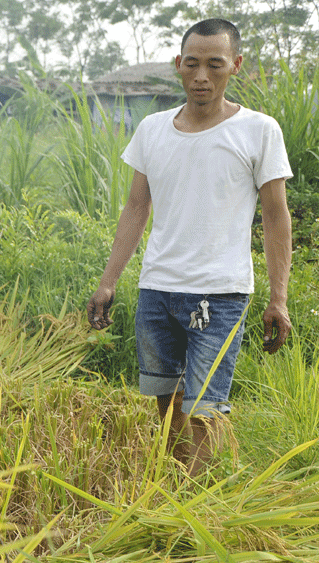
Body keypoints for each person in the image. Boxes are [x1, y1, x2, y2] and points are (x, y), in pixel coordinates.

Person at [87, 18, 293, 476]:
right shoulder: (153, 129)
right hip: (158, 289)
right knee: (167, 404)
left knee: (205, 408)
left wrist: (278, 298)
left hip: (220, 294)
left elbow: (277, 217)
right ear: (178, 66)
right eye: (193, 64)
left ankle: (198, 510)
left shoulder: (259, 130)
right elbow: (136, 208)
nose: (202, 76)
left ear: (235, 66)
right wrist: (108, 282)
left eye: (215, 65)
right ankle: (176, 488)